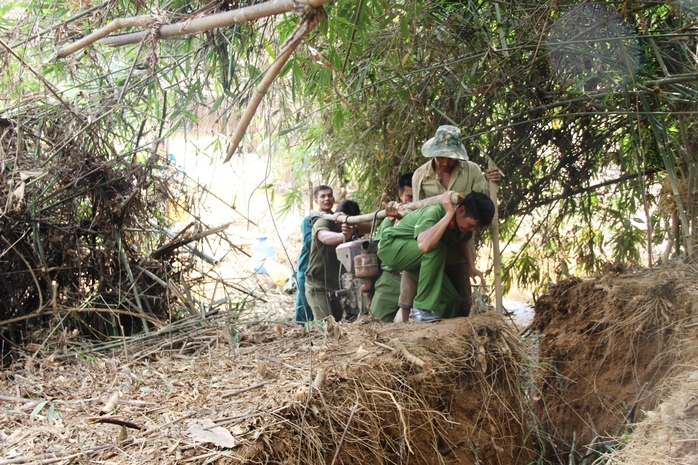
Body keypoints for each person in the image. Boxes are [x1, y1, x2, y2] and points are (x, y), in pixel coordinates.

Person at [408, 124, 502, 316]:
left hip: (459, 248)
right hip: (431, 246)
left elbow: (483, 207)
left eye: (449, 157)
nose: (444, 162)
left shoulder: (472, 172)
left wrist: (495, 184)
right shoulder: (420, 176)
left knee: (462, 303)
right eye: (440, 156)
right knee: (421, 301)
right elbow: (416, 214)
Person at [377, 191, 495, 322]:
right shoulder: (435, 212)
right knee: (437, 248)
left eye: (476, 227)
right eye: (471, 225)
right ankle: (421, 310)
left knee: (451, 300)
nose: (472, 229)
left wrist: (471, 267)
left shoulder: (463, 227)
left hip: (416, 256)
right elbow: (424, 245)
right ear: (461, 210)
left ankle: (434, 331)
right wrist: (449, 214)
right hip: (391, 247)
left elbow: (464, 241)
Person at [369, 172, 416, 323]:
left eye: (417, 196)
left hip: (416, 278)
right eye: (409, 197)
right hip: (392, 278)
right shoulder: (390, 218)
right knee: (376, 324)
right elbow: (382, 248)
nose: (413, 201)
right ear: (400, 195)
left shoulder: (428, 214)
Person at [304, 199, 361, 321]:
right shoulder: (323, 222)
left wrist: (353, 224)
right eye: (342, 223)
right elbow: (324, 237)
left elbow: (369, 226)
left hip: (336, 287)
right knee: (326, 323)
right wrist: (344, 236)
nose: (344, 226)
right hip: (317, 284)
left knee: (337, 323)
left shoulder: (352, 229)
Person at [294, 185, 335, 325]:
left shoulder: (336, 219)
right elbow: (308, 242)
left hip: (326, 273)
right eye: (322, 196)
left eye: (329, 195)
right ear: (316, 200)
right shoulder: (309, 220)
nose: (327, 199)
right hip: (307, 268)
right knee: (303, 308)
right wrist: (321, 229)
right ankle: (301, 334)